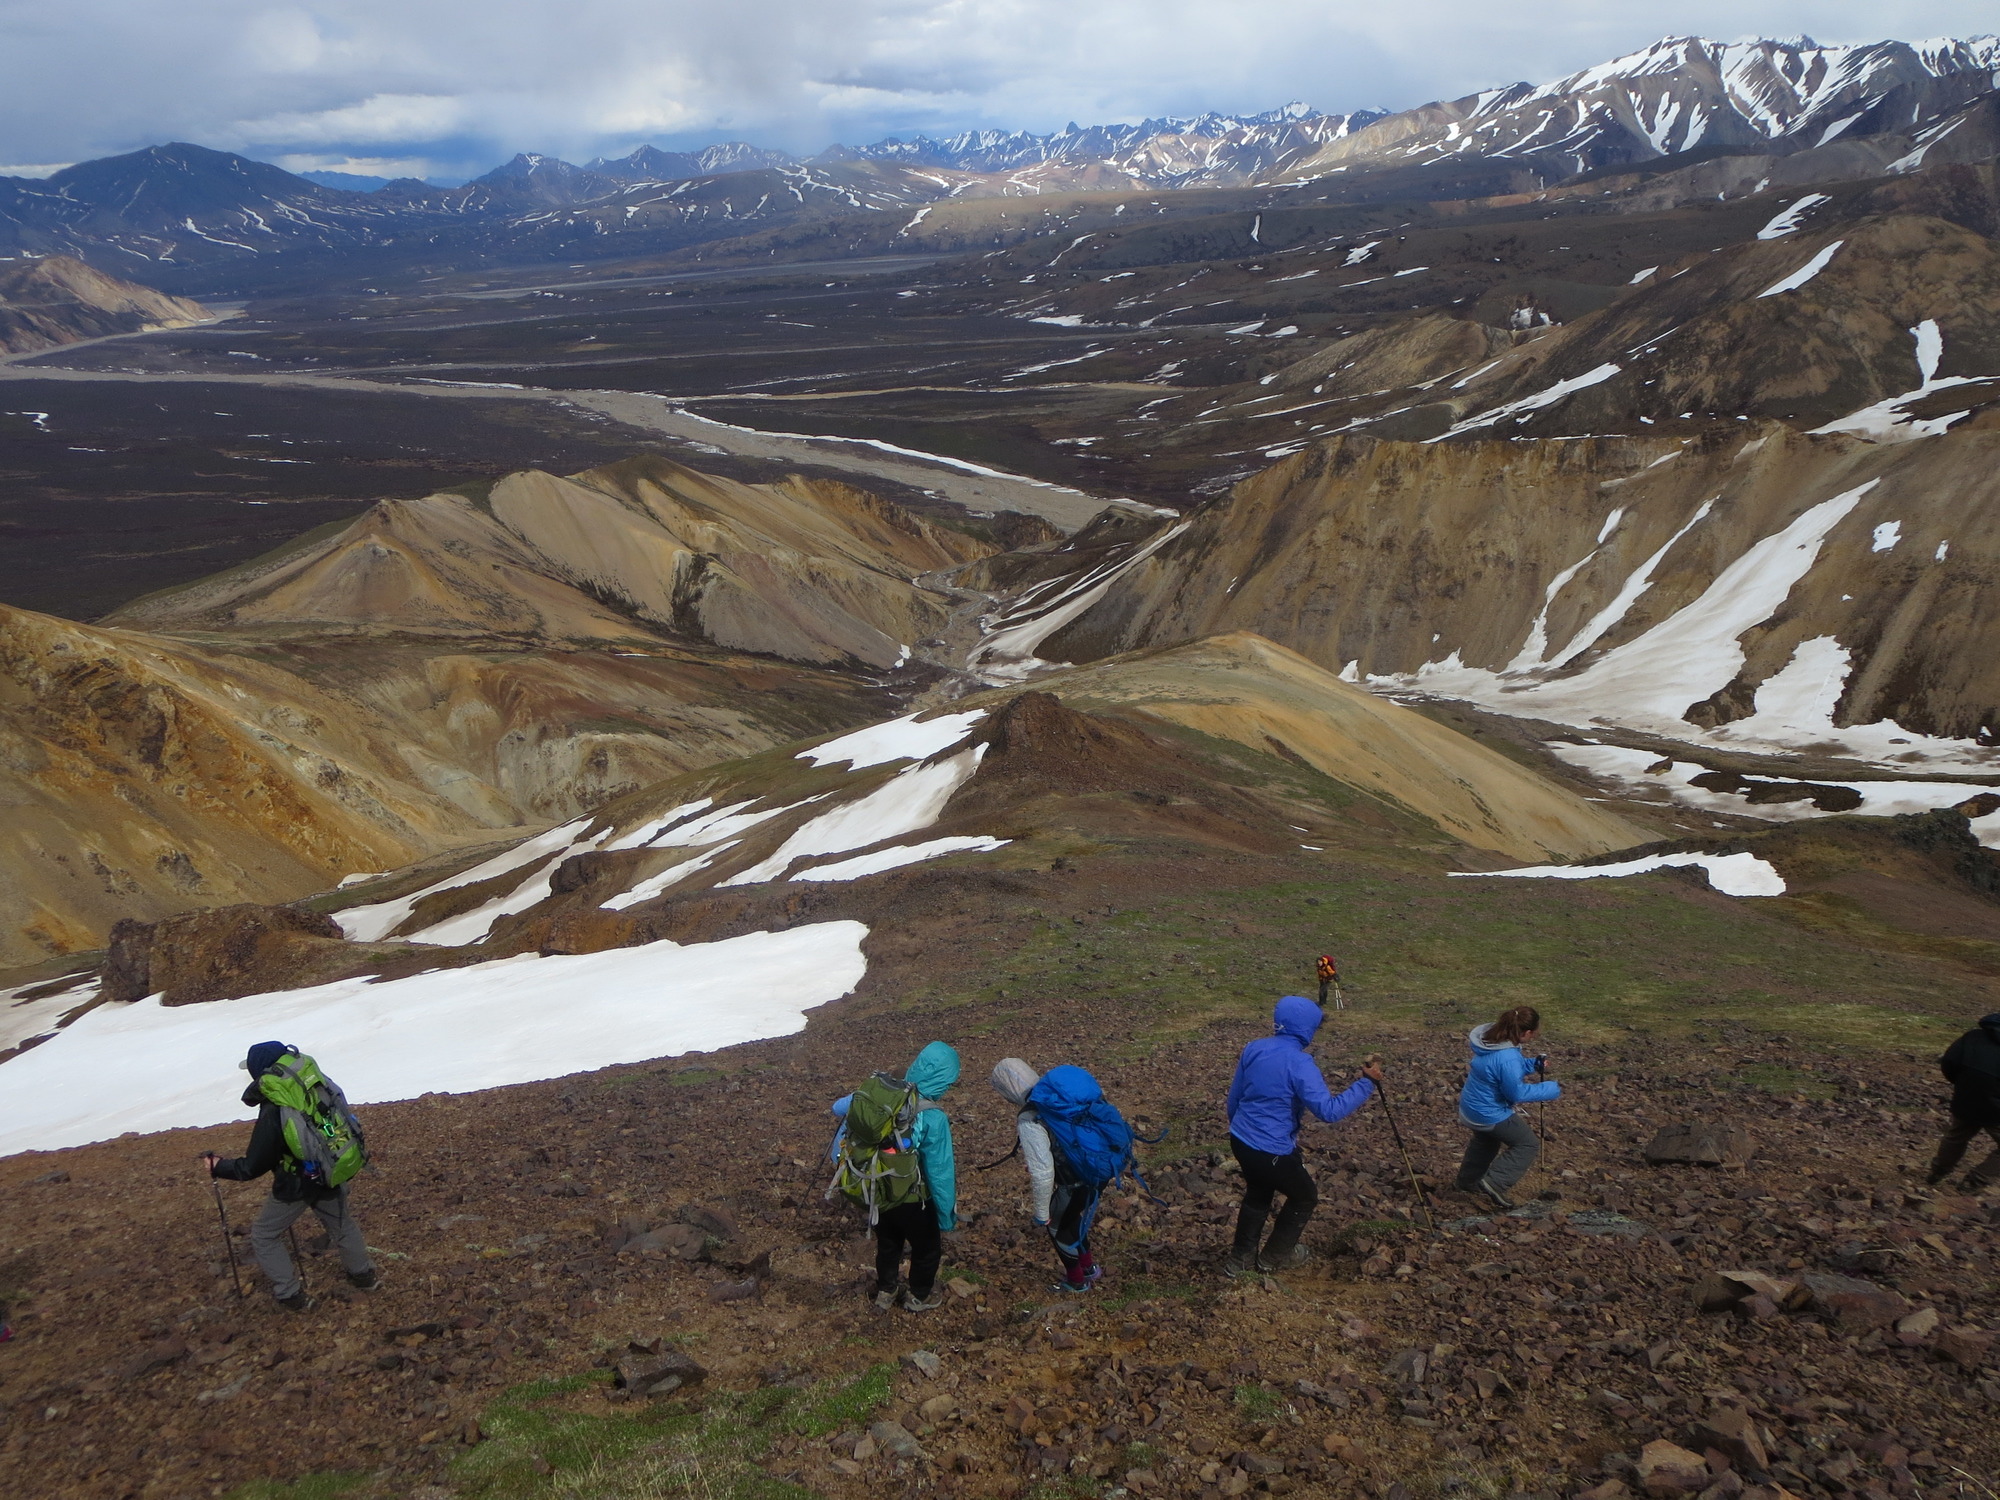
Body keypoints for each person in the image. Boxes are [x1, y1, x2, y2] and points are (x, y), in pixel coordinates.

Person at [204, 1041, 377, 1312]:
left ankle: (290, 1294)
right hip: (329, 1167)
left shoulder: (276, 1106)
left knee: (264, 1234)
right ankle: (364, 1276)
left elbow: (252, 1166)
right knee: (342, 1224)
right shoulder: (313, 1085)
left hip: (296, 1183)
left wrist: (219, 1166)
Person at [1223, 996, 1382, 1276]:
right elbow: (1328, 1111)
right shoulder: (1300, 1062)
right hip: (1271, 1148)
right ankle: (1274, 1258)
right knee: (1304, 1196)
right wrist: (1366, 1083)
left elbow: (1234, 1098)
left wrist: (1245, 1130)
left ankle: (1239, 1261)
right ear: (1307, 1028)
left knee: (1257, 1194)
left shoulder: (1254, 1048)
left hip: (1241, 1138)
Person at [850, 1041, 959, 1312]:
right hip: (913, 1196)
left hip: (879, 1187)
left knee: (888, 1243)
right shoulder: (932, 1116)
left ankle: (886, 1291)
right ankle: (919, 1296)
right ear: (942, 1079)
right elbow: (939, 1170)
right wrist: (946, 1215)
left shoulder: (888, 1098)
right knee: (927, 1246)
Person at [991, 1058, 1102, 1293]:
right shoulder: (1062, 1097)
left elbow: (1042, 1173)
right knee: (1073, 1217)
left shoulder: (1030, 1117)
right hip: (1098, 1171)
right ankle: (1089, 1266)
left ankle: (1076, 1280)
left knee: (1057, 1224)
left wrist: (1041, 1214)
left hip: (1073, 1182)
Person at [1455, 1006, 1560, 1209]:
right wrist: (1550, 1089)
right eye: (1534, 1032)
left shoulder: (1492, 1041)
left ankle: (1467, 1182)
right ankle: (1495, 1183)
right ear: (1526, 1033)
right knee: (1527, 1144)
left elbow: (1499, 1069)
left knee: (1487, 1141)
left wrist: (1531, 1065)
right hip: (1488, 1113)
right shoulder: (1507, 1057)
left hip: (1471, 1107)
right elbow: (1516, 1093)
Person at [1928, 1012, 2000, 1190]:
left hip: (1967, 1096)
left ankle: (1938, 1172)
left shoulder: (1973, 1037)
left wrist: (1962, 1085)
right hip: (1997, 1107)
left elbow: (1950, 1062)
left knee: (1957, 1135)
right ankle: (1975, 1181)